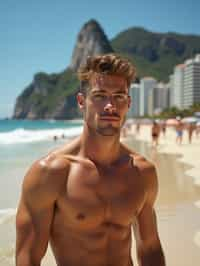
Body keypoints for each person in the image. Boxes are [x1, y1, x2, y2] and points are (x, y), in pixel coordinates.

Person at [16, 54, 165, 266]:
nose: (110, 106)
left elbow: (149, 247)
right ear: (81, 102)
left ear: (128, 103)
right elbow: (27, 257)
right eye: (100, 96)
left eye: (119, 96)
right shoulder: (50, 173)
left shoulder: (143, 172)